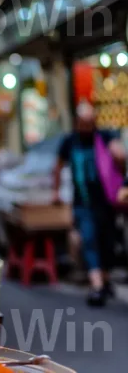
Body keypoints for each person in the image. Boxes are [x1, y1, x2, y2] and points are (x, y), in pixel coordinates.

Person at [54, 103, 125, 307]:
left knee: (108, 242)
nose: (86, 126)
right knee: (89, 239)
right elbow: (58, 167)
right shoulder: (70, 141)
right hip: (83, 203)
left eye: (89, 122)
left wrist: (118, 160)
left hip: (108, 203)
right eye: (83, 122)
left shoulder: (105, 136)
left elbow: (120, 157)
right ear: (77, 122)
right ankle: (96, 286)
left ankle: (104, 280)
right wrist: (56, 191)